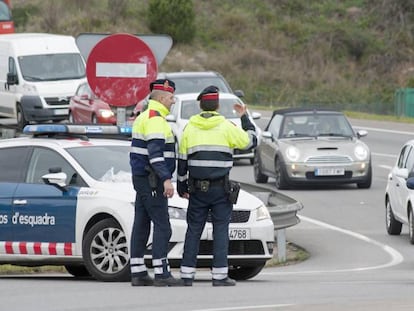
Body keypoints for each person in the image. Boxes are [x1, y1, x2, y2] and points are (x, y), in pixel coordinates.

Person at [177, 85, 257, 286]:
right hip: (220, 189)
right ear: (218, 105)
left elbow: (182, 159)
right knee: (221, 230)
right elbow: (251, 141)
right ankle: (220, 276)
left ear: (200, 105)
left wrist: (181, 185)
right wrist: (245, 117)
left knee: (194, 230)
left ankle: (187, 275)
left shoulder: (189, 128)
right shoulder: (227, 126)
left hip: (196, 189)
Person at [129, 79, 183, 287]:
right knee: (162, 225)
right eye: (171, 98)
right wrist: (166, 179)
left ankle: (139, 272)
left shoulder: (145, 116)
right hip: (152, 180)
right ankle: (162, 273)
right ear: (161, 98)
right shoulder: (155, 119)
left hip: (143, 178)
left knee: (142, 224)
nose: (173, 102)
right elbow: (155, 153)